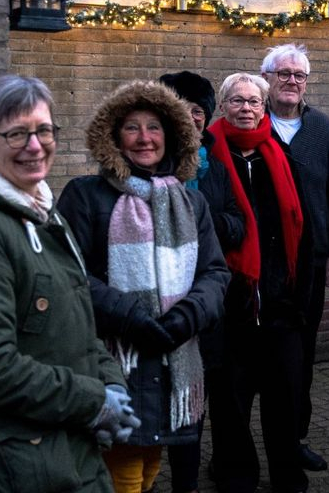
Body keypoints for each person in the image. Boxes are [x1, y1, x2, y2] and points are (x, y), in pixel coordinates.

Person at [0, 74, 140, 492]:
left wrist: (112, 384)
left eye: (43, 130)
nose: (34, 145)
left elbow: (76, 329)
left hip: (62, 451)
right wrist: (93, 403)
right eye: (16, 133)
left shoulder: (43, 213)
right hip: (12, 464)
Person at [57, 80, 231, 493]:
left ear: (172, 136)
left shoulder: (192, 203)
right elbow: (68, 274)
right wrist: (132, 317)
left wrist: (184, 319)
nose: (144, 138)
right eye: (132, 127)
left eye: (154, 127)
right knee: (123, 472)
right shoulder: (86, 195)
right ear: (113, 137)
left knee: (150, 465)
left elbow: (215, 273)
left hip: (176, 357)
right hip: (115, 358)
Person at [205, 73, 313, 493]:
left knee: (284, 399)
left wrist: (299, 297)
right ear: (222, 106)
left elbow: (305, 232)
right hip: (230, 304)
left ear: (264, 107)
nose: (246, 108)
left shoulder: (282, 157)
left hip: (280, 305)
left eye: (254, 101)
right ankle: (236, 473)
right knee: (230, 402)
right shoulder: (205, 157)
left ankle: (287, 473)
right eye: (237, 101)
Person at [261, 44, 329, 472]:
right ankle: (237, 451)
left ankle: (295, 439)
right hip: (259, 264)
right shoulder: (252, 123)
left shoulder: (322, 129)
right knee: (251, 360)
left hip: (309, 265)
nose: (292, 81)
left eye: (299, 75)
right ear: (267, 79)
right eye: (283, 74)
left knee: (302, 355)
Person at [159, 70, 246, 493]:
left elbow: (237, 222)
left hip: (203, 302)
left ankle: (187, 485)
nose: (191, 117)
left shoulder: (216, 165)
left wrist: (199, 218)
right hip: (154, 304)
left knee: (194, 404)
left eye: (199, 110)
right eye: (183, 108)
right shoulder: (144, 159)